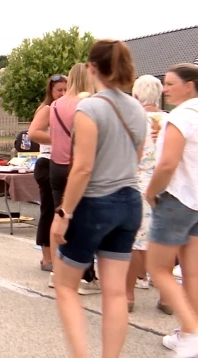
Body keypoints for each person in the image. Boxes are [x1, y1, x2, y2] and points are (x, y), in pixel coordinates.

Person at [51, 39, 146, 358]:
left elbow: (83, 167)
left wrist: (63, 213)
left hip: (95, 203)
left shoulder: (89, 107)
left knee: (65, 287)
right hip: (129, 202)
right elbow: (138, 156)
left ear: (92, 69)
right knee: (116, 292)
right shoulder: (136, 108)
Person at [143, 63, 198, 354]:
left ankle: (192, 333)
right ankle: (189, 330)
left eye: (172, 83)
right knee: (193, 272)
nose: (165, 88)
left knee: (158, 268)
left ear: (189, 86)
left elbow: (166, 164)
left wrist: (151, 193)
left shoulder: (181, 117)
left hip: (176, 199)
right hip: (197, 201)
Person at [44, 63, 98, 293]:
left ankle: (57, 272)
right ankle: (85, 275)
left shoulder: (55, 104)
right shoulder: (88, 104)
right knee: (81, 219)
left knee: (59, 216)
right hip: (77, 165)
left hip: (56, 165)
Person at [127, 75, 168, 313]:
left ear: (136, 95)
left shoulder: (133, 120)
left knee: (135, 241)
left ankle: (129, 295)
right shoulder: (170, 120)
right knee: (164, 240)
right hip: (165, 184)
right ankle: (166, 297)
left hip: (138, 182)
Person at [28, 74, 68, 273]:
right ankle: (46, 257)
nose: (62, 93)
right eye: (59, 90)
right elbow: (33, 133)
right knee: (49, 210)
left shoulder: (66, 108)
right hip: (47, 163)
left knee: (57, 211)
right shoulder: (47, 109)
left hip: (60, 162)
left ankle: (56, 255)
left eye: (65, 89)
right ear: (51, 92)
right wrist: (59, 138)